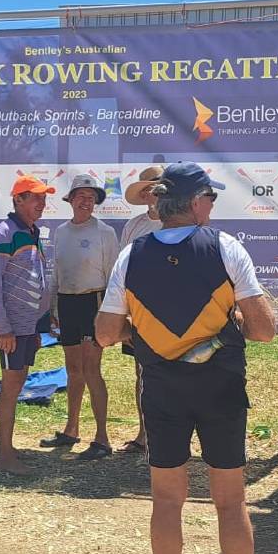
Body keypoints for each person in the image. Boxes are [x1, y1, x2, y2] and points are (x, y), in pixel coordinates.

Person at [95, 162, 276, 554]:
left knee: (167, 501)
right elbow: (265, 331)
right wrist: (233, 320)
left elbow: (103, 333)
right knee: (231, 504)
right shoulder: (225, 247)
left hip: (162, 391)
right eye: (210, 198)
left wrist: (139, 333)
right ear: (195, 202)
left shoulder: (131, 254)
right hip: (222, 388)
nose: (213, 205)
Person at [40, 174, 119, 459]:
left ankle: (102, 438)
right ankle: (71, 429)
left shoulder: (105, 232)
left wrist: (111, 315)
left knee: (91, 369)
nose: (86, 202)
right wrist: (54, 309)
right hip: (67, 303)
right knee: (72, 370)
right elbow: (57, 273)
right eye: (80, 196)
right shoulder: (61, 231)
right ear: (70, 200)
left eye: (91, 197)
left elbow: (114, 277)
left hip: (93, 302)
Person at [0, 175, 54, 475]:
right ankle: (6, 457)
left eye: (44, 197)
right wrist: (2, 328)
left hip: (27, 328)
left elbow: (37, 281)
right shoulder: (4, 232)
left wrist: (39, 327)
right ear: (18, 200)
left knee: (18, 383)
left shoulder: (31, 231)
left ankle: (2, 446)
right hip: (12, 329)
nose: (42, 203)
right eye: (35, 197)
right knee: (11, 389)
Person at [117, 165, 165, 455]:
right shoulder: (133, 226)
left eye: (158, 188)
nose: (153, 194)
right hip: (139, 314)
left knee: (175, 375)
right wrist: (123, 316)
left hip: (176, 315)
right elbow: (121, 274)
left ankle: (170, 436)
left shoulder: (184, 224)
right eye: (148, 189)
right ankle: (144, 434)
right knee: (143, 375)